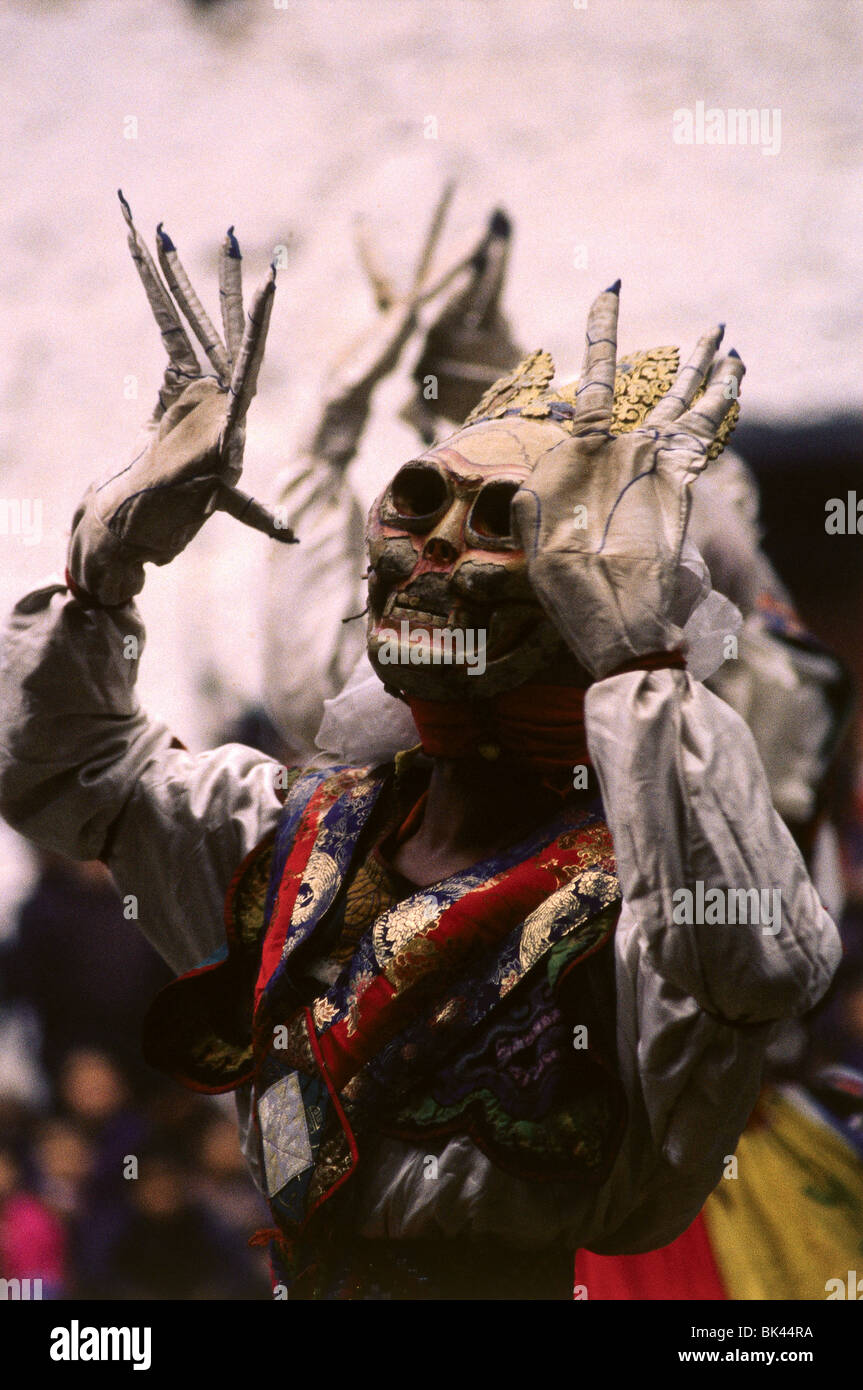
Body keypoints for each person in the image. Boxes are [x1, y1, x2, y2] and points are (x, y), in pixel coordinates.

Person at [0, 200, 841, 1299]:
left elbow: (764, 963)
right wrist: (104, 563)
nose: (434, 542)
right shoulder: (298, 832)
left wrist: (639, 664)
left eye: (500, 521)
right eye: (416, 499)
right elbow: (72, 776)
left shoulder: (638, 896)